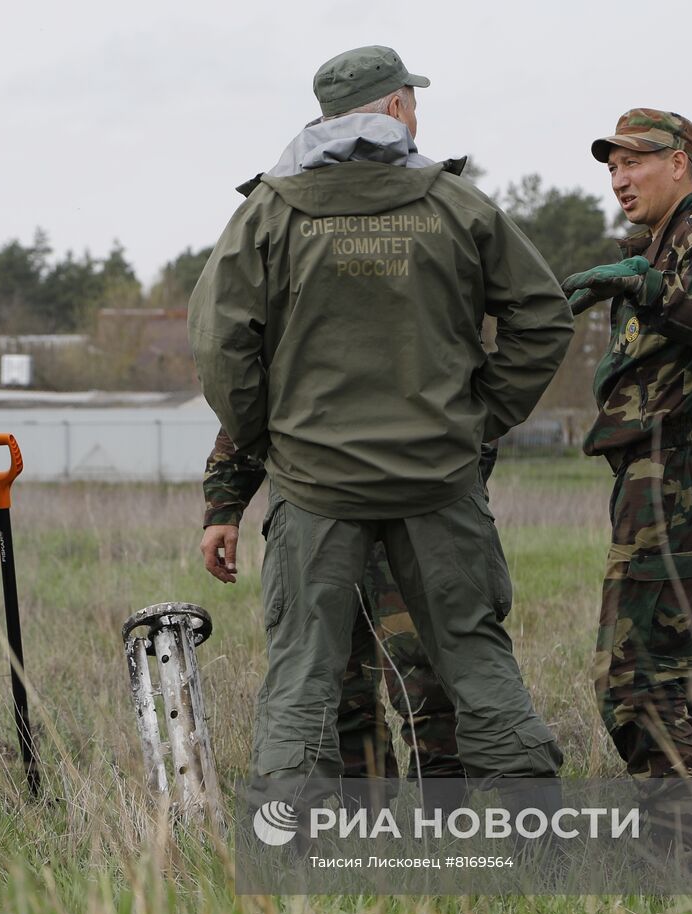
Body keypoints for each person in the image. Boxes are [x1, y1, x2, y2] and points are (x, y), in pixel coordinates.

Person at [188, 45, 573, 795]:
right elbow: (543, 317)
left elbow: (218, 344)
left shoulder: (267, 213)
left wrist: (270, 441)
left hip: (315, 488)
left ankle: (291, 846)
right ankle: (533, 841)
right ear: (396, 107)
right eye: (413, 100)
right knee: (474, 654)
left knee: (303, 668)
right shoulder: (458, 206)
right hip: (439, 481)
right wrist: (479, 417)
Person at [561, 109, 692, 791]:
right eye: (612, 167)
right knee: (681, 667)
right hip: (673, 470)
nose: (619, 179)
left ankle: (675, 847)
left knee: (639, 669)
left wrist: (639, 284)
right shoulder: (661, 242)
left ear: (677, 162)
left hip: (683, 468)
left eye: (634, 162)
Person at [201, 429, 502, 784]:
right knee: (339, 680)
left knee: (429, 674)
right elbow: (250, 401)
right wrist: (224, 503)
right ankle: (366, 816)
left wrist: (456, 483)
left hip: (418, 508)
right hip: (320, 511)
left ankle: (445, 817)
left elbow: (481, 402)